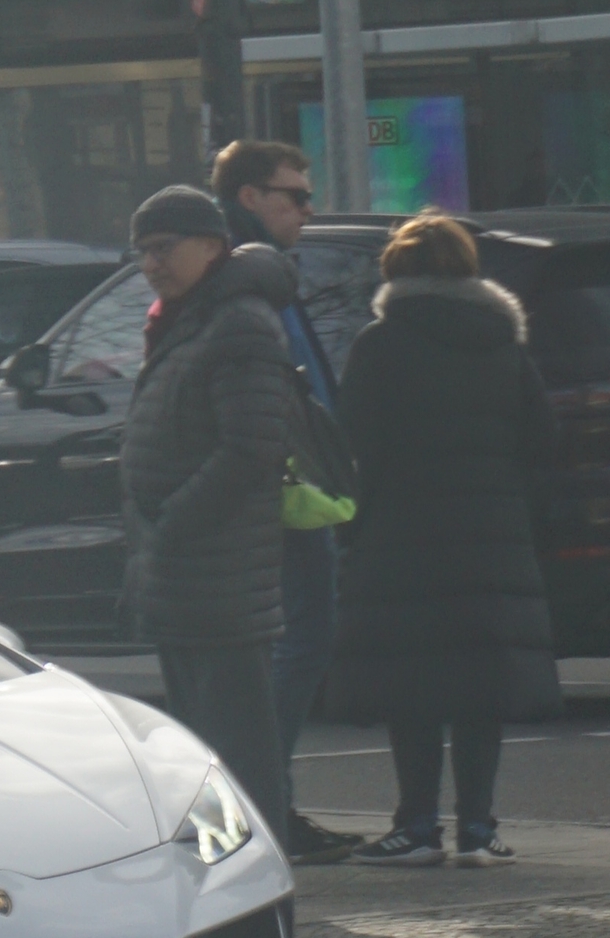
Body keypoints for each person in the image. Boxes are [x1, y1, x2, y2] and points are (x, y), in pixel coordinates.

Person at [336, 214, 559, 866]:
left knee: (415, 685)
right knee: (478, 686)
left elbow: (357, 450)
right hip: (492, 538)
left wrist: (353, 527)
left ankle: (416, 825)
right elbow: (540, 445)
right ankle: (481, 827)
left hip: (403, 541)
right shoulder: (504, 347)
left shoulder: (380, 345)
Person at [119, 185, 304, 841]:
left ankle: (248, 885)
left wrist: (173, 522)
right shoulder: (186, 318)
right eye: (143, 252)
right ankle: (221, 874)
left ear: (211, 246)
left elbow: (251, 448)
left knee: (236, 753)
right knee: (203, 750)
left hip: (217, 575)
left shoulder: (237, 323)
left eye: (163, 248)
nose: (151, 264)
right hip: (185, 573)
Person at [213, 138, 362, 865]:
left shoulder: (267, 275)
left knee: (291, 646)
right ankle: (257, 803)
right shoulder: (243, 278)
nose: (307, 208)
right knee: (295, 643)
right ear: (250, 198)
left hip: (296, 489)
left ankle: (262, 802)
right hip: (278, 494)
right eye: (293, 196)